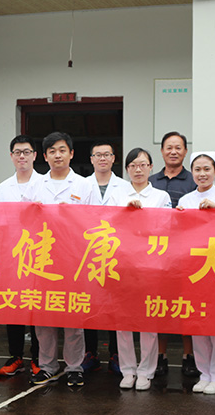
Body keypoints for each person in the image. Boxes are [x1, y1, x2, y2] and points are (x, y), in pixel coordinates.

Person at [25, 131, 95, 386]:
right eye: (52, 151)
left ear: (71, 153)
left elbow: (95, 220)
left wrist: (72, 216)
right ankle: (48, 366)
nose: (57, 155)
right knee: (43, 316)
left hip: (73, 259)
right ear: (44, 156)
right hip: (41, 260)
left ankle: (74, 366)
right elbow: (23, 221)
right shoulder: (34, 185)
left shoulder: (84, 185)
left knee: (72, 315)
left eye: (62, 150)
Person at [178, 151, 215, 394]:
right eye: (197, 169)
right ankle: (204, 373)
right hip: (193, 269)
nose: (202, 174)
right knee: (197, 323)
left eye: (207, 169)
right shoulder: (186, 200)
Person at [114, 147, 172, 391]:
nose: (138, 169)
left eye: (142, 165)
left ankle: (146, 371)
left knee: (148, 321)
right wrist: (125, 213)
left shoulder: (160, 196)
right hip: (122, 266)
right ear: (127, 169)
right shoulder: (117, 195)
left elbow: (167, 227)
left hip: (150, 267)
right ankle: (127, 370)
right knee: (123, 322)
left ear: (151, 167)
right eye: (133, 165)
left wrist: (142, 216)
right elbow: (105, 225)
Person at [149, 131, 199, 378]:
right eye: (169, 147)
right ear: (161, 151)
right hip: (157, 254)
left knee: (185, 307)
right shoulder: (151, 181)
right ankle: (160, 356)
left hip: (186, 255)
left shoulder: (193, 181)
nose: (173, 152)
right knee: (159, 306)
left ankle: (189, 356)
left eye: (178, 147)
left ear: (185, 151)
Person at [82, 141, 130, 373]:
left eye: (106, 154)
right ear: (91, 159)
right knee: (88, 304)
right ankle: (90, 352)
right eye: (98, 155)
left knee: (114, 305)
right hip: (87, 254)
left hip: (115, 254)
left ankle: (115, 353)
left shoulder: (125, 187)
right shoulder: (82, 185)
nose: (102, 158)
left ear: (113, 158)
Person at [0, 135, 42, 378]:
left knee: (36, 306)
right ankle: (15, 356)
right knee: (12, 305)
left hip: (39, 255)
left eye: (26, 151)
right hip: (11, 255)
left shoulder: (45, 183)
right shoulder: (2, 188)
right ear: (11, 156)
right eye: (17, 152)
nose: (22, 156)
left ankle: (37, 357)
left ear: (35, 155)